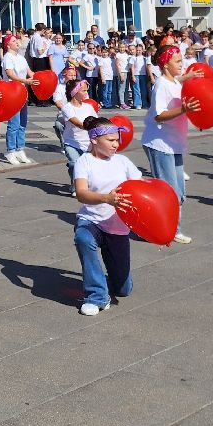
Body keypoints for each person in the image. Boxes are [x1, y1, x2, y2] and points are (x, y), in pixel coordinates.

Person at [72, 118, 141, 316]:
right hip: (91, 221)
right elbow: (81, 193)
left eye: (117, 140)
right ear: (94, 140)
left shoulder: (122, 161)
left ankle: (108, 280)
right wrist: (107, 198)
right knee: (83, 238)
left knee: (123, 289)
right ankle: (96, 296)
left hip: (118, 228)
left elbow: (141, 188)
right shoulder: (84, 161)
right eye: (110, 140)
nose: (116, 144)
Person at [141, 45, 199, 245]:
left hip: (174, 144)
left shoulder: (173, 81)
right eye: (178, 61)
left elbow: (176, 81)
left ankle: (167, 227)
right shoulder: (160, 85)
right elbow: (159, 115)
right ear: (165, 65)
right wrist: (183, 109)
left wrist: (187, 77)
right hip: (160, 144)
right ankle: (168, 229)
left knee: (179, 192)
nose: (182, 64)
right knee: (169, 192)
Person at [0, 33, 34, 164]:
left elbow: (29, 72)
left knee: (22, 123)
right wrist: (24, 80)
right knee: (14, 123)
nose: (17, 42)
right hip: (12, 93)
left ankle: (20, 149)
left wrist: (40, 77)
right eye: (14, 41)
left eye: (17, 40)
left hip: (22, 92)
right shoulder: (8, 57)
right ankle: (10, 150)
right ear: (8, 45)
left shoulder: (21, 57)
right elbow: (10, 74)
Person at [57, 80, 97, 184]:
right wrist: (90, 127)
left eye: (86, 90)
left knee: (87, 168)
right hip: (72, 143)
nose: (86, 93)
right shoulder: (67, 108)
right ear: (74, 92)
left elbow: (97, 122)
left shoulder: (89, 107)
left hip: (88, 144)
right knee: (75, 164)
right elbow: (77, 123)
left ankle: (80, 183)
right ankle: (75, 183)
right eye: (84, 91)